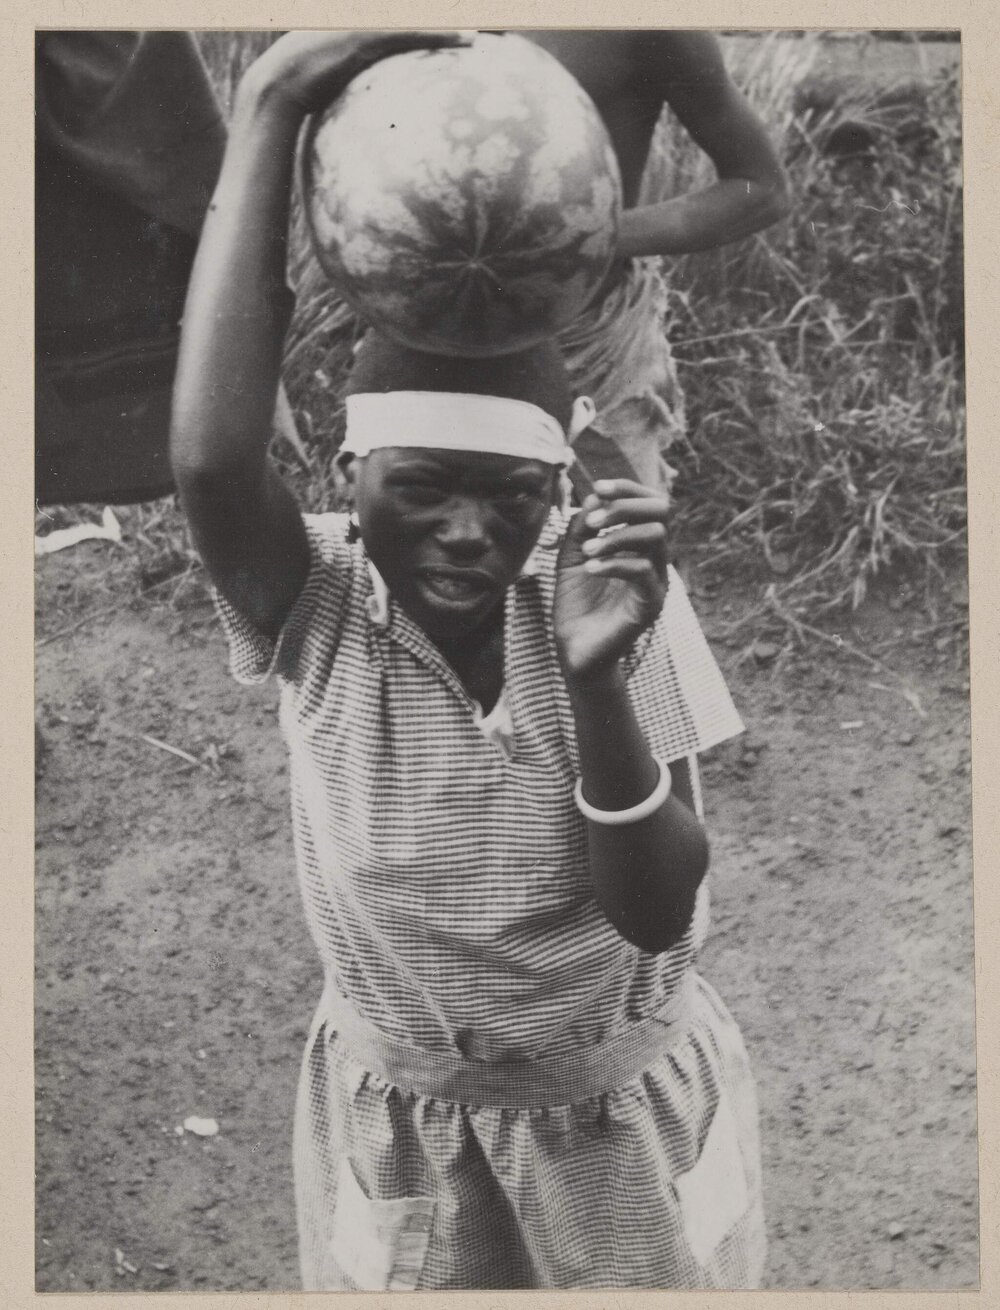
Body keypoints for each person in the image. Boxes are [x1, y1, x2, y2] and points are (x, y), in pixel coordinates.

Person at [171, 32, 764, 1291]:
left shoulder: (616, 599)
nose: (463, 532)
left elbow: (655, 906)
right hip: (406, 1117)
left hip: (616, 1113)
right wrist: (271, 106)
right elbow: (214, 464)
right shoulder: (316, 600)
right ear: (347, 479)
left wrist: (598, 677)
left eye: (509, 499)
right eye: (423, 490)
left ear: (558, 484)